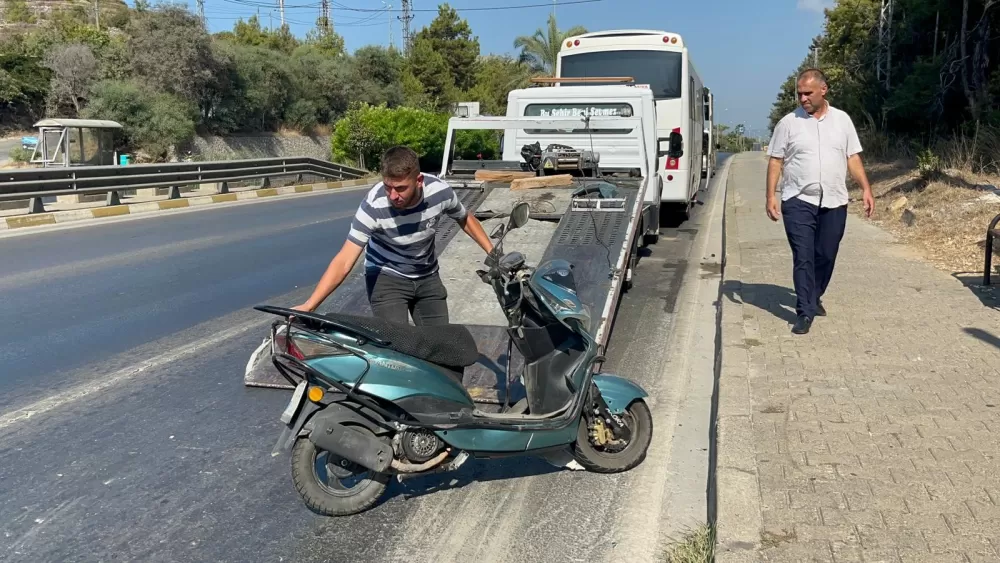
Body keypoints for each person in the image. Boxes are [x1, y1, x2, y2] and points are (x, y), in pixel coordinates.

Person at [293, 146, 494, 325]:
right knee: (397, 343)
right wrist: (310, 305)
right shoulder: (374, 205)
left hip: (427, 274)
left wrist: (492, 253)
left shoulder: (440, 192)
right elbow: (344, 260)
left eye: (400, 188)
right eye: (388, 187)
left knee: (439, 344)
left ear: (419, 181)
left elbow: (464, 217)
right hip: (386, 276)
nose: (393, 196)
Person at [765, 68, 875, 335]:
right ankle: (805, 311)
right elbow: (776, 161)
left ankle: (813, 295)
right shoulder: (788, 123)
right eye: (799, 94)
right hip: (798, 200)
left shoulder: (842, 120)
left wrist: (866, 188)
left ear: (823, 90)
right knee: (803, 257)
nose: (802, 98)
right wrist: (770, 196)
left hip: (834, 200)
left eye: (808, 93)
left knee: (826, 254)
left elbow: (852, 157)